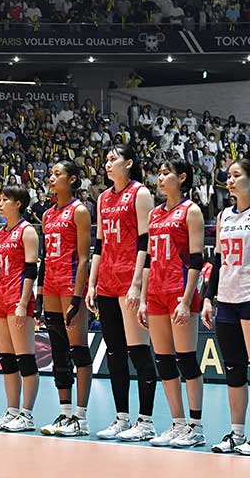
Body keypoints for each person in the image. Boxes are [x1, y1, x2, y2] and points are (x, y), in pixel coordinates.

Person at [202, 158, 250, 455]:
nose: (230, 180)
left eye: (237, 175)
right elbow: (219, 261)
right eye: (229, 176)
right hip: (227, 298)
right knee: (234, 369)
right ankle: (237, 434)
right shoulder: (224, 215)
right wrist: (209, 298)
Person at [86, 144, 158, 441]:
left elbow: (146, 242)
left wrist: (138, 284)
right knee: (115, 353)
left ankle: (146, 420)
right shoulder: (103, 198)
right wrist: (91, 283)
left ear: (128, 163)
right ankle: (121, 417)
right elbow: (100, 245)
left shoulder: (140, 193)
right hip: (106, 281)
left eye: (113, 159)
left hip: (130, 279)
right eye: (106, 159)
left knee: (138, 351)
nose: (108, 163)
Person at [138, 159, 205, 447]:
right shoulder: (154, 214)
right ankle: (178, 424)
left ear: (182, 177)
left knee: (186, 359)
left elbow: (196, 260)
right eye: (160, 172)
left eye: (167, 173)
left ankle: (196, 426)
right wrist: (142, 298)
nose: (160, 178)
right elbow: (150, 259)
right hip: (156, 293)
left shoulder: (191, 211)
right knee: (163, 361)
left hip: (180, 293)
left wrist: (186, 299)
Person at [40, 160, 93, 437]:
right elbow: (45, 256)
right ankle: (65, 413)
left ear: (72, 179)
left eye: (57, 173)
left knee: (78, 350)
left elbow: (84, 258)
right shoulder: (47, 215)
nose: (52, 177)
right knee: (58, 351)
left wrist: (77, 295)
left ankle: (81, 418)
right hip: (50, 283)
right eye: (52, 173)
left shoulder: (79, 211)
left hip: (71, 283)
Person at [0, 186, 40, 432]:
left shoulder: (27, 231)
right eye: (0, 199)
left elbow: (31, 270)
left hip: (18, 299)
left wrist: (23, 303)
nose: (1, 202)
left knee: (25, 358)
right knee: (6, 360)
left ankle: (27, 415)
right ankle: (12, 411)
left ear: (18, 203)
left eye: (6, 199)